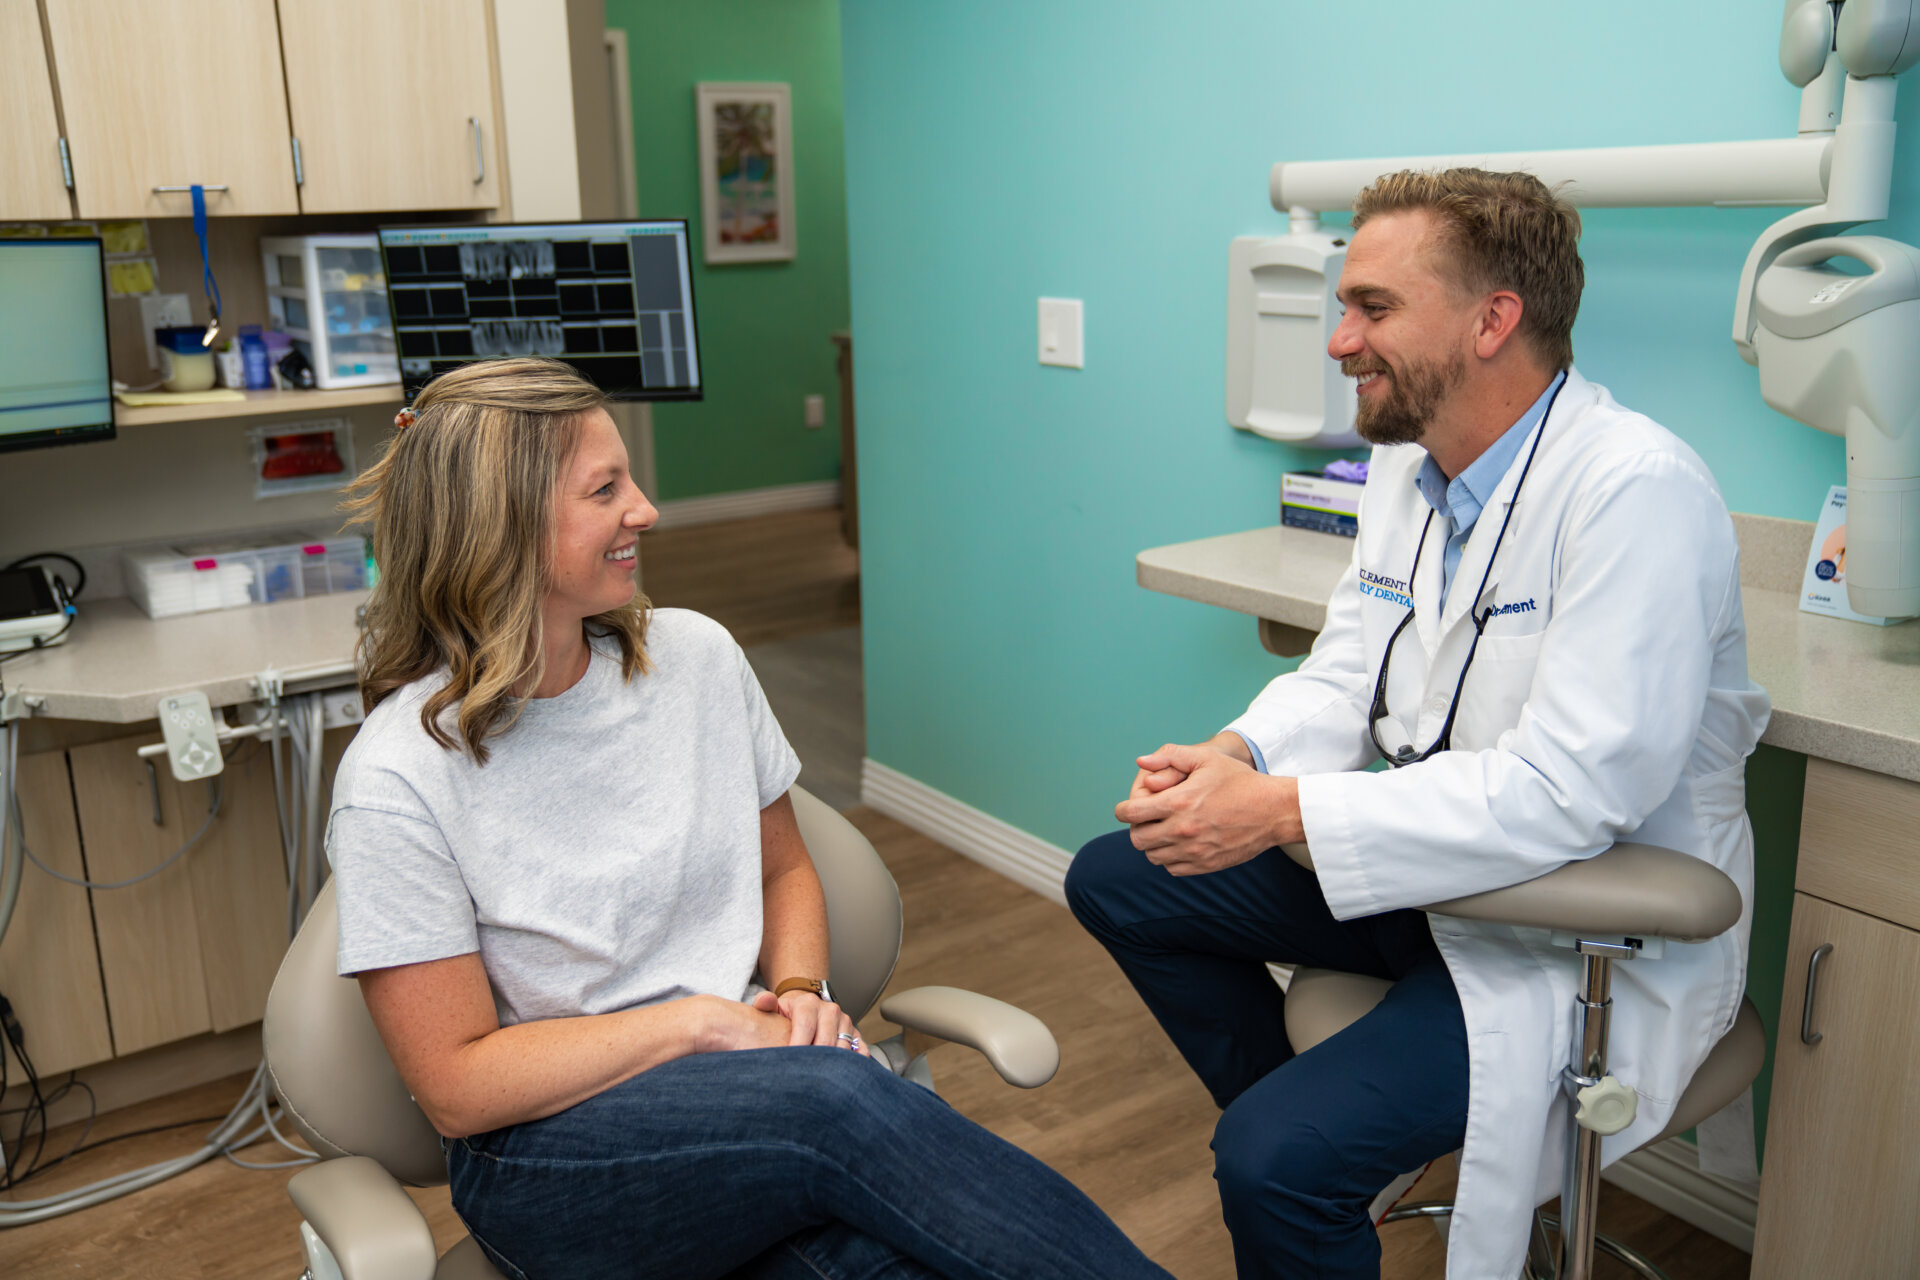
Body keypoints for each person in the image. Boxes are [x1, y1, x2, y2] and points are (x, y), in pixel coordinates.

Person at [1066, 169, 1771, 1280]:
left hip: (1566, 928)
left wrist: (1284, 808)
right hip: (1426, 879)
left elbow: (1573, 792)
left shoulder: (1636, 492)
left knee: (1270, 1159)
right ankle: (1338, 1161)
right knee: (1121, 875)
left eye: (1374, 308)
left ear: (1495, 319)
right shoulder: (1409, 470)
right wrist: (1240, 756)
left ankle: (1302, 1162)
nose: (1341, 338)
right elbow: (1350, 666)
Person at [327, 357, 1172, 1280]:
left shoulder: (696, 659)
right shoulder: (399, 776)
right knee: (838, 1107)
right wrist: (699, 1026)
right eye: (606, 489)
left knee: (881, 1256)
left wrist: (803, 990)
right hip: (547, 1156)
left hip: (756, 1098)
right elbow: (455, 1086)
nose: (645, 509)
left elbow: (782, 871)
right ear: (499, 529)